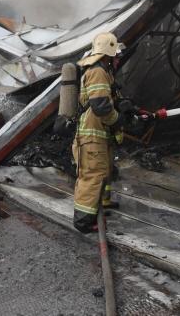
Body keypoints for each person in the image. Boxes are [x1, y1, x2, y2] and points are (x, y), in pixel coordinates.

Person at [72, 32, 136, 233]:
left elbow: (107, 100)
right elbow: (101, 107)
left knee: (105, 170)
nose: (118, 59)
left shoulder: (104, 71)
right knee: (92, 175)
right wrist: (119, 120)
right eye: (116, 55)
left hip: (99, 135)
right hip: (91, 136)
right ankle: (83, 220)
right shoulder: (97, 71)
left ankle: (102, 203)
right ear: (108, 53)